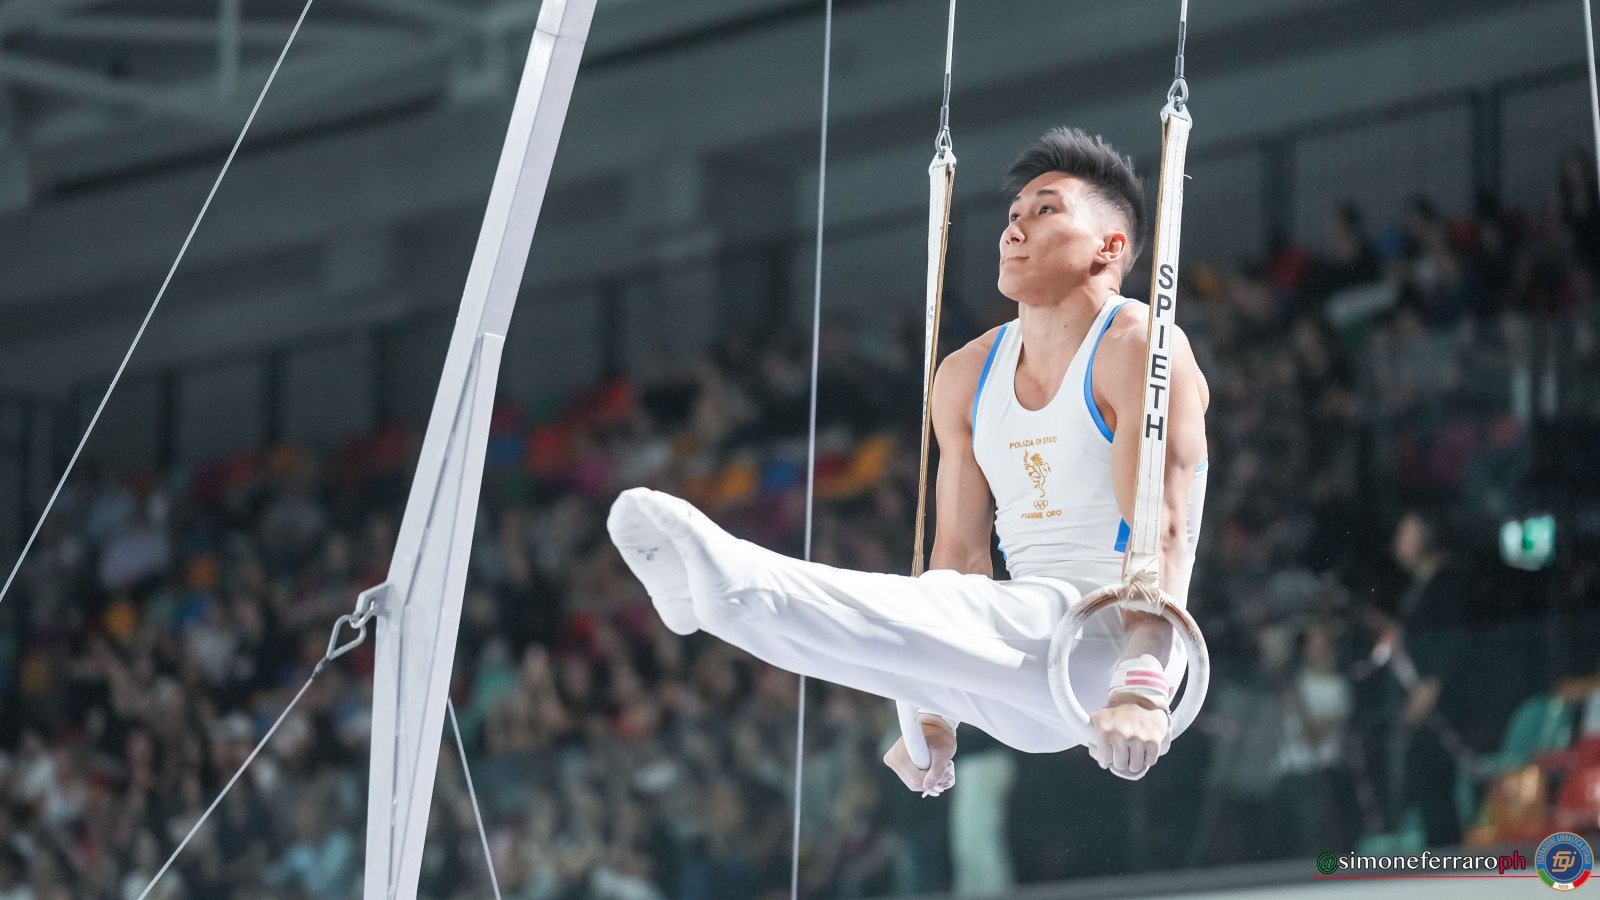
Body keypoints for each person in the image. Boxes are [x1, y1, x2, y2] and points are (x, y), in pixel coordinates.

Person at [607, 127, 1210, 790]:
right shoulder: (967, 374)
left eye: (1045, 211)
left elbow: (1161, 532)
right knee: (864, 647)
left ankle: (739, 582)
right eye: (1013, 214)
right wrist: (931, 713)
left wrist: (1142, 686)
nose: (1014, 229)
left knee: (953, 615)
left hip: (1113, 644)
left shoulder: (1140, 346)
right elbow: (959, 555)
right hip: (1015, 660)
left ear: (1109, 247)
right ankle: (721, 607)